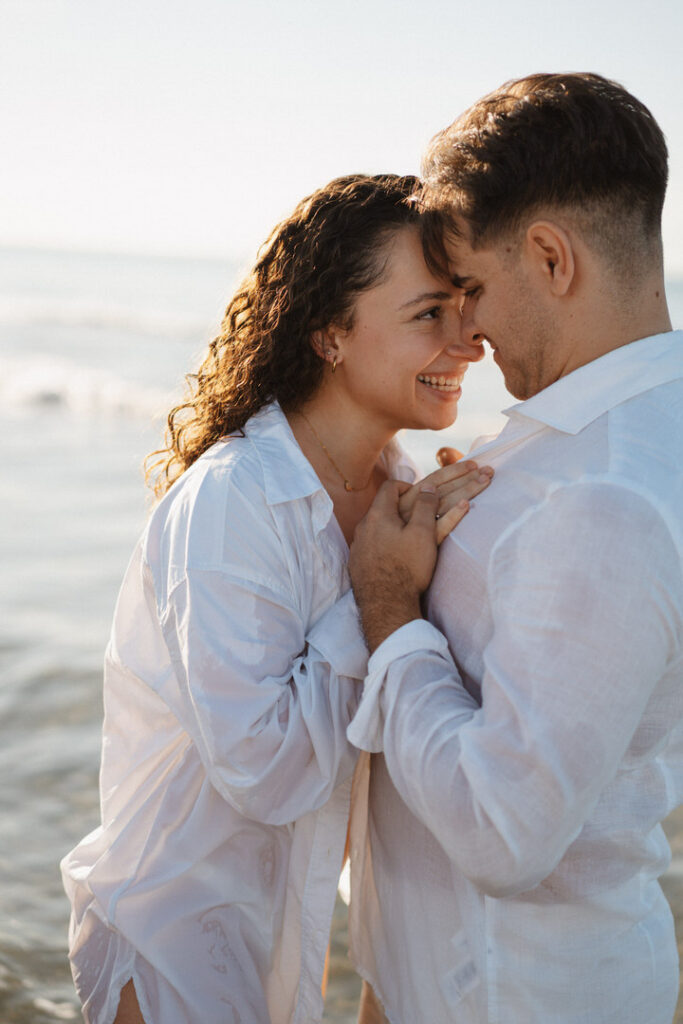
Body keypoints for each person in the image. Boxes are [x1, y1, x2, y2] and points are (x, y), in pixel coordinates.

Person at [60, 173, 493, 1024]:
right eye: (428, 314)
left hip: (291, 944)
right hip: (177, 948)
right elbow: (261, 770)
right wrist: (378, 594)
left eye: (465, 306)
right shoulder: (235, 500)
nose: (468, 342)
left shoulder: (397, 488)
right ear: (330, 333)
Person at [346, 73, 683, 1023]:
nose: (466, 328)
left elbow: (503, 833)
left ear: (549, 257)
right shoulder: (614, 437)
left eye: (473, 288)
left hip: (511, 994)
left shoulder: (604, 495)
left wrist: (388, 608)